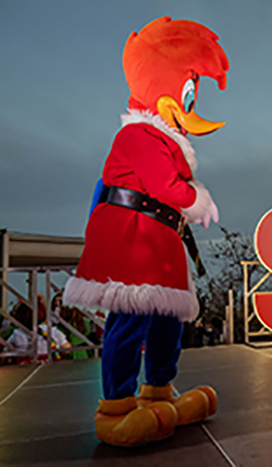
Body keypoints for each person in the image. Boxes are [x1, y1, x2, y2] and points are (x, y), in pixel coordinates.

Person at [62, 17, 227, 446]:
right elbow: (163, 186)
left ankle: (159, 392)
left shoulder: (167, 141)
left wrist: (189, 205)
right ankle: (115, 407)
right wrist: (198, 200)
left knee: (167, 321)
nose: (189, 101)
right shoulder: (139, 133)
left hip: (161, 241)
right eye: (186, 88)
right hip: (135, 238)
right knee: (131, 318)